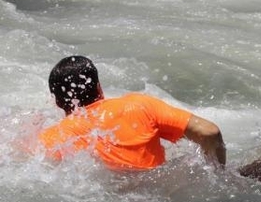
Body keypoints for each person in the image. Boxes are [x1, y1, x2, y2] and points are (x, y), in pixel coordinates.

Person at [39, 55, 226, 171]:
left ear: (56, 101)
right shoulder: (139, 105)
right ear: (99, 88)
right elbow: (209, 132)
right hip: (159, 197)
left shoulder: (53, 138)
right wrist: (218, 177)